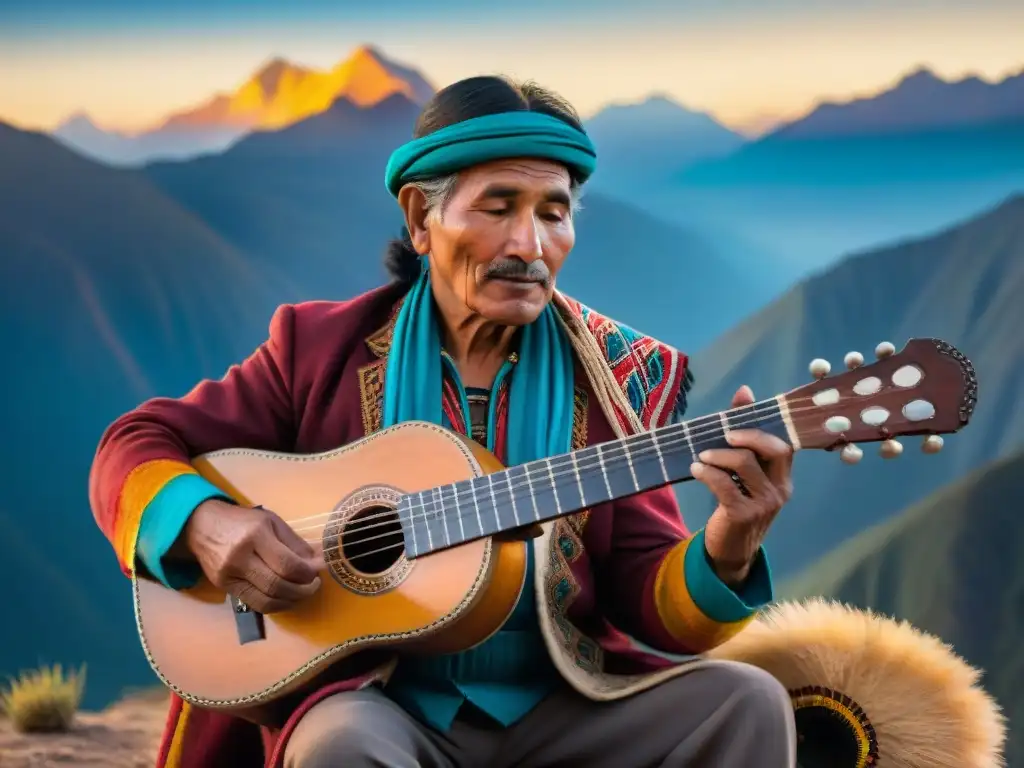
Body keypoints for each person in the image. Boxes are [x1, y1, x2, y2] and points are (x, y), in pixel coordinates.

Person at [89, 75, 798, 768]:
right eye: (498, 207)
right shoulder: (319, 349)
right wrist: (211, 525)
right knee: (341, 744)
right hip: (381, 704)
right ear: (419, 219)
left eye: (554, 213)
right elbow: (135, 445)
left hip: (564, 703)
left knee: (748, 702)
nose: (529, 245)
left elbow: (651, 602)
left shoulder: (612, 377)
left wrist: (729, 545)